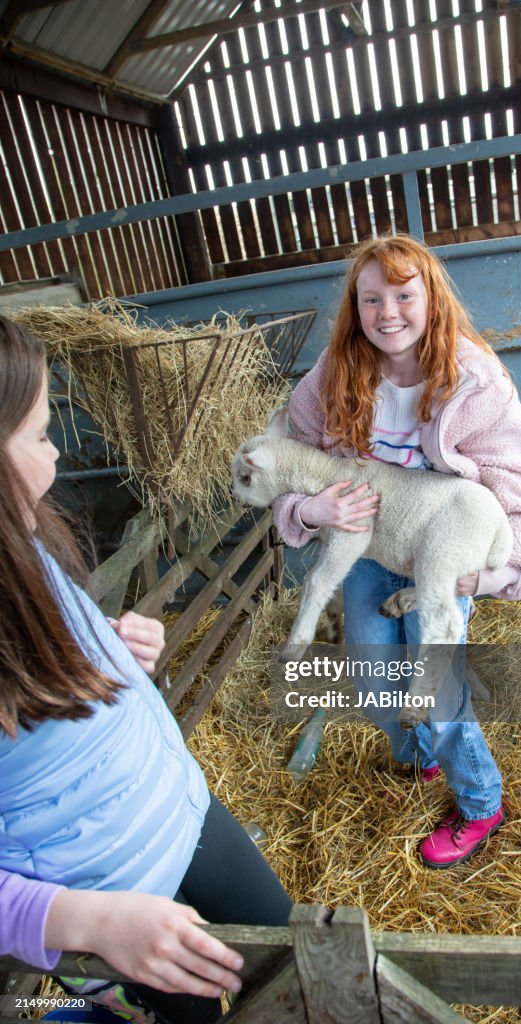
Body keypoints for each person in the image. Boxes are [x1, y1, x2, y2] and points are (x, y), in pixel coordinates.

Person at [0, 315, 292, 1023]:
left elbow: (30, 645)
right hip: (104, 894)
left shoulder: (22, 543)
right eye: (40, 435)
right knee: (195, 1018)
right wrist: (84, 924)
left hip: (179, 806)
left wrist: (102, 643)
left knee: (291, 959)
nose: (59, 456)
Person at [273, 235, 521, 869]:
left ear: (431, 298)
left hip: (442, 553)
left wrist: (491, 576)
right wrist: (310, 511)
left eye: (404, 294)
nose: (387, 312)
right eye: (372, 298)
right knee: (375, 683)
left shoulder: (474, 380)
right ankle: (422, 754)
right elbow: (294, 467)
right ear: (356, 306)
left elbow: (515, 484)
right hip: (370, 546)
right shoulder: (330, 379)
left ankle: (481, 802)